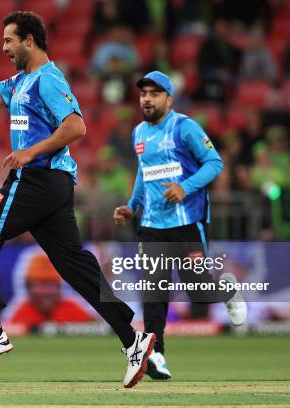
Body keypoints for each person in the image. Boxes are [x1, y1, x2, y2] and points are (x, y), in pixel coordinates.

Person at [0, 11, 155, 388]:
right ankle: (133, 339)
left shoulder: (48, 79)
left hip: (37, 179)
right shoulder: (20, 83)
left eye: (9, 40)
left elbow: (76, 125)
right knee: (74, 265)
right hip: (50, 185)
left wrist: (31, 152)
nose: (4, 47)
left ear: (29, 40)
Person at [113, 71, 247, 380]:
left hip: (188, 222)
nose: (147, 98)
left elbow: (215, 163)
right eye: (144, 93)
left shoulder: (184, 127)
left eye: (154, 93)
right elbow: (144, 173)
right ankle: (156, 355)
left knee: (198, 292)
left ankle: (226, 291)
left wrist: (185, 188)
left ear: (169, 99)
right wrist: (133, 206)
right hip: (152, 224)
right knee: (155, 290)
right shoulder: (138, 133)